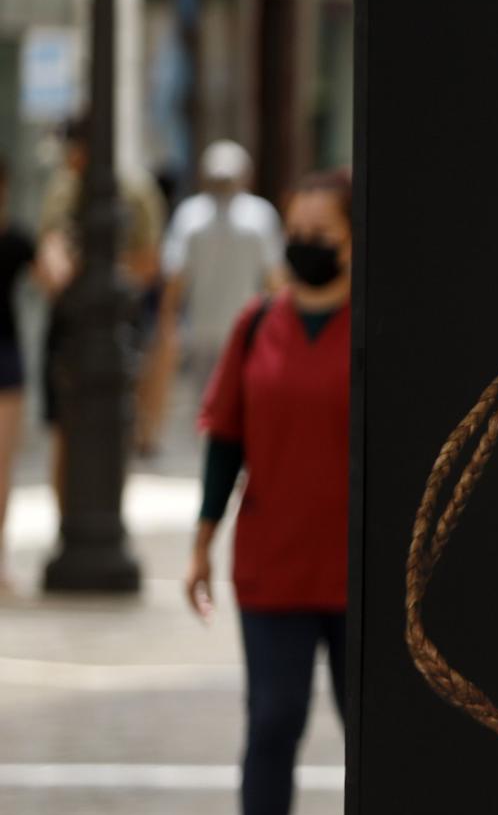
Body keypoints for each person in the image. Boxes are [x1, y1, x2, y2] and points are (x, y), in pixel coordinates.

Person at [184, 169, 352, 815]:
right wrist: (201, 542)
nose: (306, 245)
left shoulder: (378, 325)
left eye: (323, 234)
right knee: (274, 723)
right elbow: (226, 440)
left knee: (372, 738)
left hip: (358, 571)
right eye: (297, 233)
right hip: (273, 565)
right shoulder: (255, 325)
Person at [37, 114, 167, 495]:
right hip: (70, 324)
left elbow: (151, 261)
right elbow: (51, 253)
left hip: (119, 320)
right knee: (65, 426)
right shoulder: (64, 188)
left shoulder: (135, 190)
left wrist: (104, 280)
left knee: (115, 426)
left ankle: (109, 506)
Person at [160, 140, 285, 398]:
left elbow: (175, 277)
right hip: (238, 330)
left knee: (210, 405)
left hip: (214, 331)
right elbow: (275, 280)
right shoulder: (259, 215)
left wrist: (168, 323)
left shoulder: (190, 215)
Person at [0, 161, 39, 589]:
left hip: (7, 356)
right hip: (8, 355)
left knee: (2, 465)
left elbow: (51, 278)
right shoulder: (16, 238)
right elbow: (54, 278)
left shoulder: (16, 239)